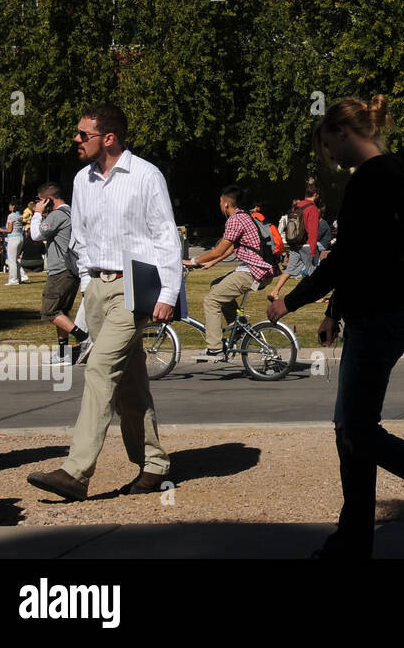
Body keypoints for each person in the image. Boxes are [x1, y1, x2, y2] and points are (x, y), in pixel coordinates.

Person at [266, 95, 404, 558]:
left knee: (358, 431)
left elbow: (347, 257)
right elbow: (369, 255)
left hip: (381, 317)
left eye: (328, 146)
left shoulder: (372, 180)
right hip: (382, 312)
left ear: (342, 133)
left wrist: (291, 300)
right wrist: (334, 311)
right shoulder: (394, 174)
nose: (329, 157)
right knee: (351, 428)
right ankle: (354, 537)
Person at [27, 103, 178, 502]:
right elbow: (81, 237)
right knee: (129, 384)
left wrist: (167, 294)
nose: (75, 140)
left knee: (99, 367)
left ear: (107, 138)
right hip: (96, 288)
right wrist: (87, 285)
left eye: (82, 134)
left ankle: (76, 472)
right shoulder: (81, 180)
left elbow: (166, 237)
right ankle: (155, 464)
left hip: (134, 290)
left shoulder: (146, 175)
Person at [184, 185, 276, 360]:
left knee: (211, 300)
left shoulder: (235, 220)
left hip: (252, 272)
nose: (219, 205)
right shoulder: (245, 216)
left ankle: (215, 349)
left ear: (226, 203)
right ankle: (239, 328)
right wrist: (213, 262)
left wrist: (193, 261)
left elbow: (219, 249)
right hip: (258, 270)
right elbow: (232, 246)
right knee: (216, 285)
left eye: (220, 202)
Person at [33, 183, 87, 363]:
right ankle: (63, 353)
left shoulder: (57, 215)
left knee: (49, 312)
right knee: (61, 311)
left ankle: (84, 338)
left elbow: (36, 235)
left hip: (60, 270)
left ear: (49, 200)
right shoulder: (72, 212)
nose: (38, 204)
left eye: (40, 201)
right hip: (72, 269)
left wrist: (37, 214)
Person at [284, 180, 321, 278]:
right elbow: (313, 231)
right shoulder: (313, 209)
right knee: (313, 271)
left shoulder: (296, 206)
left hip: (295, 241)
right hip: (306, 244)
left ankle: (275, 291)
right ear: (315, 194)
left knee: (290, 269)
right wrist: (313, 250)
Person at [1, 199, 29, 285]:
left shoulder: (11, 216)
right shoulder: (20, 216)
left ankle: (13, 279)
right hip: (20, 238)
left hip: (13, 238)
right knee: (14, 260)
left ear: (13, 206)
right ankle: (22, 276)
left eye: (10, 205)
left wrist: (0, 229)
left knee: (11, 260)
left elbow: (9, 230)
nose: (9, 207)